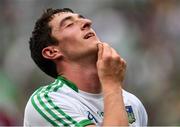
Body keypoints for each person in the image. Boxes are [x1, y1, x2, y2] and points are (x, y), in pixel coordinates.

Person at [24, 8, 148, 126]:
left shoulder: (132, 103)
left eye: (81, 18)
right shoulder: (47, 101)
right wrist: (112, 83)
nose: (87, 22)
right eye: (69, 24)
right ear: (52, 52)